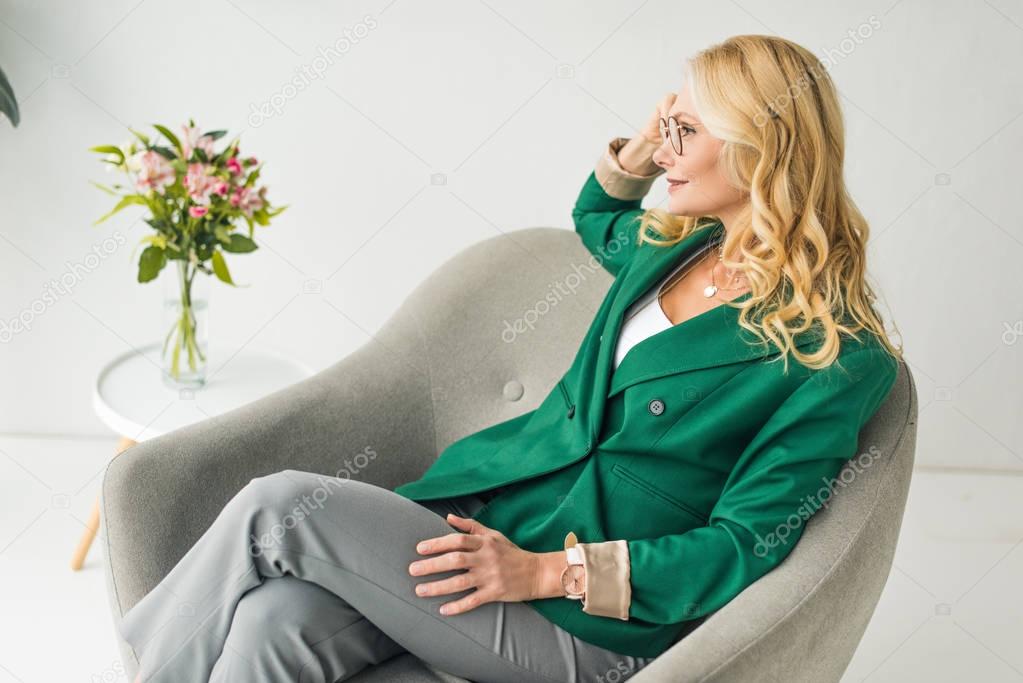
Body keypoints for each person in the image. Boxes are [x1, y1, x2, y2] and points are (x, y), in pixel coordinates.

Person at [120, 34, 903, 683]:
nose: (664, 147)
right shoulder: (675, 247)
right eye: (668, 124)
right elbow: (598, 211)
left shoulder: (834, 352)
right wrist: (648, 140)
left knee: (277, 506)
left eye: (687, 132)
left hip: (594, 621)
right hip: (498, 524)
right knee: (269, 623)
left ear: (761, 150)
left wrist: (545, 573)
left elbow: (743, 543)